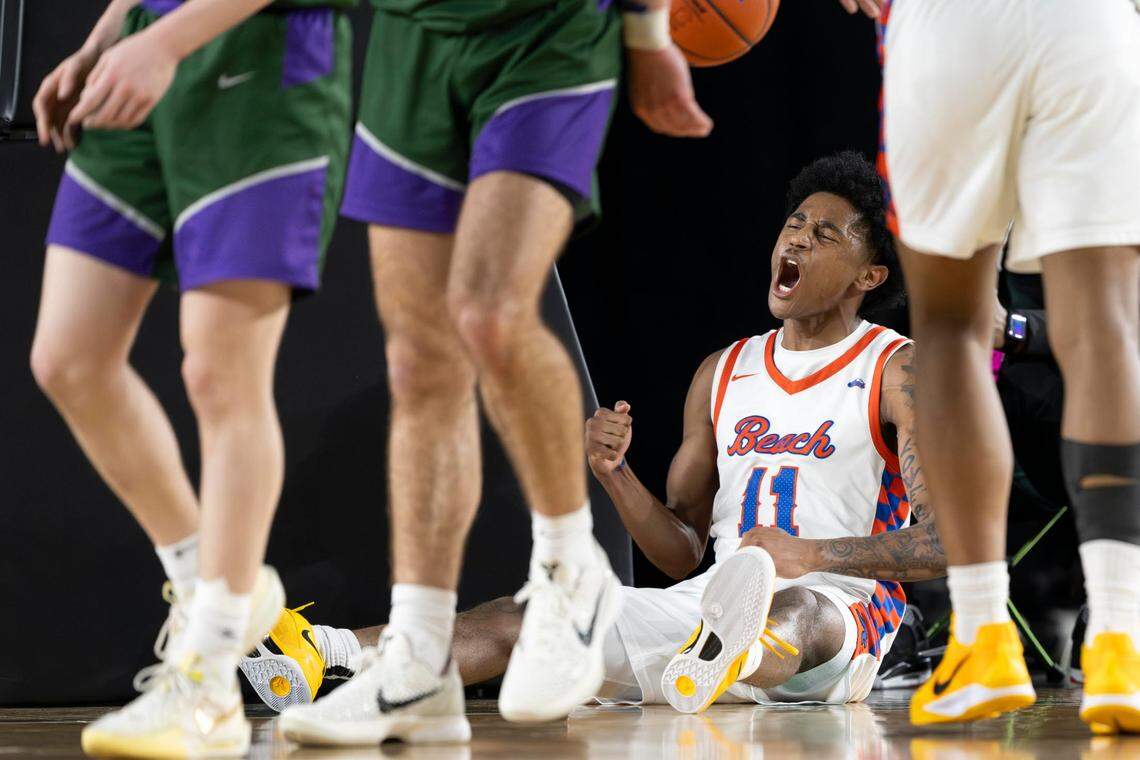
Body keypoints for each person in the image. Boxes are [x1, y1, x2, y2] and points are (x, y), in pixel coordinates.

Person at [243, 152, 947, 721]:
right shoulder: (724, 372)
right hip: (702, 610)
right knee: (538, 616)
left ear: (870, 275)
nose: (797, 237)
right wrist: (616, 474)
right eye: (794, 223)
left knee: (796, 607)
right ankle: (323, 653)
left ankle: (734, 652)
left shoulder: (896, 367)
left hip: (843, 616)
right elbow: (681, 553)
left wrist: (809, 553)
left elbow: (947, 544)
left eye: (825, 235)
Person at [29, 0, 352, 755]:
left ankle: (206, 684)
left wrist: (165, 42)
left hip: (263, 59)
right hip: (147, 49)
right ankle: (216, 579)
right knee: (69, 358)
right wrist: (108, 36)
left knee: (220, 372)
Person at [878, 0, 1140, 729]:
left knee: (952, 328)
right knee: (1110, 326)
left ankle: (983, 636)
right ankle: (1124, 642)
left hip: (952, 25)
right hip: (1094, 24)